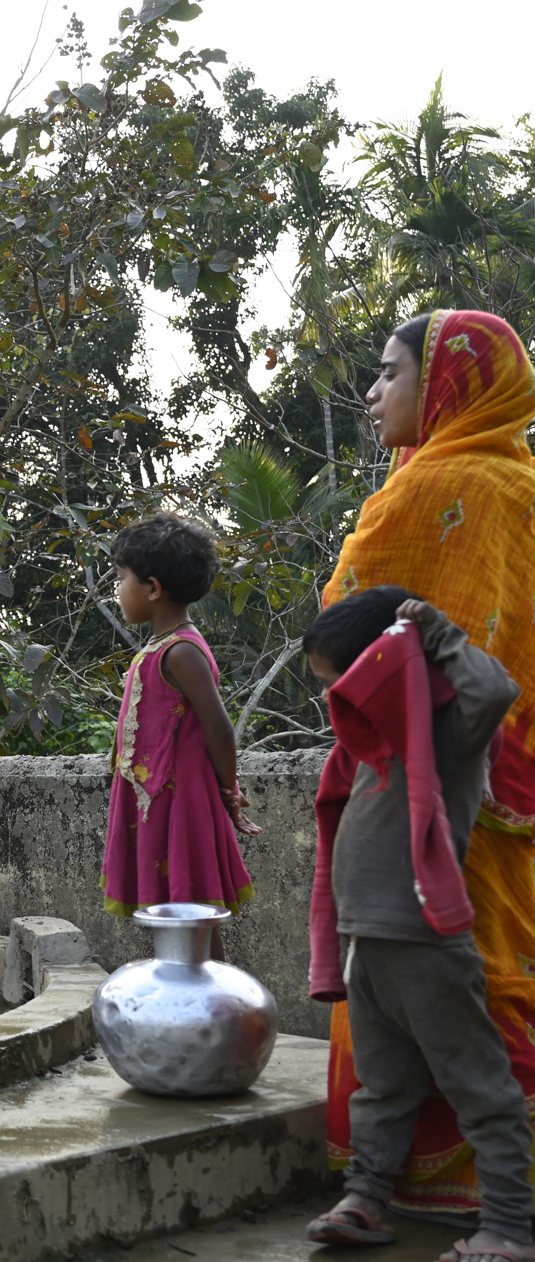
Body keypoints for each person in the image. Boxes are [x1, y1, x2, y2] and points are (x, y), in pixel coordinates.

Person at [319, 310, 535, 1223]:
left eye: (388, 373)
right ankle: (400, 1190)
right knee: (493, 980)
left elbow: (344, 623)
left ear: (443, 384)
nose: (372, 393)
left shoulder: (429, 490)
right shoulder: (523, 488)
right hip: (504, 786)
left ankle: (492, 1209)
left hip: (435, 788)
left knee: (453, 1022)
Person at [303, 589, 530, 1262]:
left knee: (478, 1084)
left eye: (334, 680)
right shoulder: (364, 751)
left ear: (380, 665)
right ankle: (367, 1197)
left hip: (425, 942)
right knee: (385, 1085)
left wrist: (433, 630)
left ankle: (511, 1227)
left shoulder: (444, 731)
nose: (328, 697)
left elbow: (496, 689)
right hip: (365, 945)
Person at [98, 513, 260, 949]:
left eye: (121, 577)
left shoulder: (181, 651)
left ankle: (211, 1002)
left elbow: (220, 730)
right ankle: (187, 1000)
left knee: (193, 908)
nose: (116, 589)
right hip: (155, 798)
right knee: (174, 911)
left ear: (152, 588)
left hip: (181, 797)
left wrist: (230, 793)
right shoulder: (157, 647)